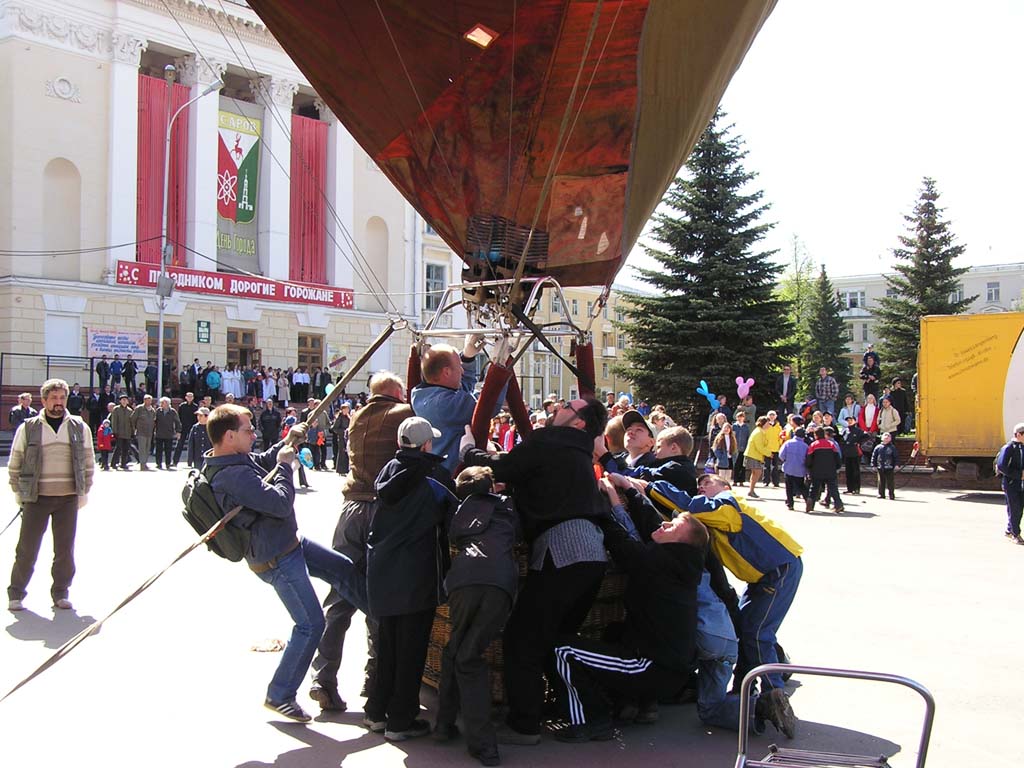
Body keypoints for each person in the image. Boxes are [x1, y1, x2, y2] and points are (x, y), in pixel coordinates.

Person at [460, 397, 609, 744]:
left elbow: (501, 467)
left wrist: (468, 450)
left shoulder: (550, 440)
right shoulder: (579, 452)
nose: (558, 408)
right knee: (558, 638)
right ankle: (579, 711)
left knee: (522, 637)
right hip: (592, 551)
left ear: (579, 422)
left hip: (563, 549)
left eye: (567, 406)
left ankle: (524, 725)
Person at [205, 404, 365, 723]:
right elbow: (279, 502)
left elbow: (263, 461)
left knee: (343, 569)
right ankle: (280, 694)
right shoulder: (232, 476)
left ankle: (384, 619)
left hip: (288, 544)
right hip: (276, 558)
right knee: (310, 624)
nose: (254, 434)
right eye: (248, 430)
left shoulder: (234, 459)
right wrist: (285, 466)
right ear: (229, 436)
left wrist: (288, 441)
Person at [549, 476, 712, 743]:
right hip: (668, 666)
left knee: (562, 650)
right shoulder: (679, 561)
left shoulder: (659, 563)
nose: (664, 524)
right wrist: (629, 490)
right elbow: (652, 523)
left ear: (679, 543)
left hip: (653, 667)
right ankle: (632, 703)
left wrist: (599, 505)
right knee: (614, 631)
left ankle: (590, 720)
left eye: (672, 526)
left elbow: (620, 543)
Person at [649, 473, 802, 716]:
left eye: (707, 483)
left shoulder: (727, 503)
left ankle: (774, 694)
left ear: (725, 486)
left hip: (778, 569)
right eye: (699, 485)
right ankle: (747, 686)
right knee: (746, 626)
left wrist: (648, 485)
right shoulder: (716, 515)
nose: (701, 487)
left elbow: (690, 506)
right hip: (764, 575)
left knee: (757, 632)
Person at [310, 372, 412, 712]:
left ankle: (323, 678)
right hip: (382, 510)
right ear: (396, 392)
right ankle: (375, 679)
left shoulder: (356, 416)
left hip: (351, 509)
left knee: (339, 598)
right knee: (381, 598)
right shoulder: (402, 413)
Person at [364, 416, 457, 741]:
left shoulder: (386, 471)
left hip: (382, 570)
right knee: (412, 650)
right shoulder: (435, 477)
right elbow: (455, 517)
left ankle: (377, 712)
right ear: (426, 444)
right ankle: (401, 721)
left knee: (387, 645)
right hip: (418, 572)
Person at [434, 466, 520, 765]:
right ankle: (484, 744)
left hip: (463, 579)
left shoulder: (458, 512)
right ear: (492, 486)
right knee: (468, 657)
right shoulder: (507, 507)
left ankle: (444, 724)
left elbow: (453, 537)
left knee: (456, 649)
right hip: (499, 584)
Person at [7, 379, 94, 612]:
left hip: (68, 498)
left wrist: (84, 491)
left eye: (62, 398)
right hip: (37, 497)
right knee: (27, 549)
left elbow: (88, 461)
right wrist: (18, 492)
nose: (58, 402)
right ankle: (16, 594)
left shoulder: (79, 427)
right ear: (44, 400)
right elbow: (16, 461)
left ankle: (61, 593)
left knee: (64, 551)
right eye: (54, 398)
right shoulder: (29, 427)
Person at [411, 335, 498, 475]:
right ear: (446, 372)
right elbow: (488, 405)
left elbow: (462, 388)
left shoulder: (421, 395)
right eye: (459, 367)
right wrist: (500, 365)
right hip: (452, 476)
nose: (462, 371)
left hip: (439, 472)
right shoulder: (444, 404)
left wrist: (467, 358)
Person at [805, 427, 844, 513]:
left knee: (814, 488)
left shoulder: (813, 445)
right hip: (830, 471)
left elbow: (809, 460)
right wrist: (836, 467)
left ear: (816, 435)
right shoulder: (831, 444)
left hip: (816, 471)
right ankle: (838, 505)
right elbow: (837, 458)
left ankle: (810, 505)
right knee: (833, 488)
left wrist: (809, 469)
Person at [996, 423, 1024, 544]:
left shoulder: (1022, 447)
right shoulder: (1009, 448)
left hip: (1020, 484)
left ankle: (1009, 530)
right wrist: (1019, 475)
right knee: (1014, 509)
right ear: (1018, 435)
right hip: (1011, 484)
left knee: (1019, 509)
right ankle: (1015, 534)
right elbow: (1001, 466)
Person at [778, 419, 809, 511]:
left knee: (789, 487)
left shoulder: (788, 443)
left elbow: (781, 455)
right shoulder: (805, 446)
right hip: (800, 470)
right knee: (801, 486)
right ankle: (807, 499)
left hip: (789, 468)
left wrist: (786, 460)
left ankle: (790, 503)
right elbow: (808, 458)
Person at [742, 416, 772, 499]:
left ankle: (751, 490)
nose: (769, 425)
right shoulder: (758, 432)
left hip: (755, 455)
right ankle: (751, 490)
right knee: (757, 472)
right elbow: (759, 447)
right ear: (763, 423)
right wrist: (768, 453)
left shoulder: (761, 431)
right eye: (767, 423)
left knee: (756, 473)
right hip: (753, 455)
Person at [154, 396, 181, 470]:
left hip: (169, 434)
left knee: (168, 450)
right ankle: (158, 463)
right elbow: (154, 421)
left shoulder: (172, 411)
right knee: (158, 450)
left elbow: (177, 422)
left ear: (168, 403)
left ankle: (168, 463)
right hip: (159, 433)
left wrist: (178, 431)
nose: (162, 404)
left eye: (164, 403)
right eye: (162, 403)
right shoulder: (158, 411)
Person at [131, 394, 157, 470]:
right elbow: (132, 419)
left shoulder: (152, 410)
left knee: (147, 449)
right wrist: (134, 429)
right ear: (144, 400)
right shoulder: (139, 408)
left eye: (150, 400)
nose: (148, 402)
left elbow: (154, 421)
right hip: (141, 432)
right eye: (147, 400)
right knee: (142, 449)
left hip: (149, 432)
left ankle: (145, 463)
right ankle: (142, 464)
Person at [109, 394, 134, 470]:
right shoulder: (116, 409)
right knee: (118, 448)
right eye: (123, 400)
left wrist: (132, 432)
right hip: (119, 433)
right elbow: (114, 421)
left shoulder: (130, 410)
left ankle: (123, 463)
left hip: (127, 433)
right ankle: (113, 463)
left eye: (125, 400)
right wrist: (115, 431)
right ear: (120, 401)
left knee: (126, 449)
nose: (124, 401)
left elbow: (132, 423)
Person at [871, 432, 899, 501]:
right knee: (881, 481)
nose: (886, 438)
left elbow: (896, 457)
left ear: (890, 439)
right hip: (880, 467)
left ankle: (891, 495)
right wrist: (873, 465)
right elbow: (874, 457)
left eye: (888, 436)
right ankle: (881, 494)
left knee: (890, 482)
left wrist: (896, 465)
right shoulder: (878, 447)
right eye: (885, 436)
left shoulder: (892, 447)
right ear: (882, 438)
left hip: (889, 467)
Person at [842, 416, 866, 494]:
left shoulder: (858, 430)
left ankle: (856, 488)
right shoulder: (845, 430)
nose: (849, 421)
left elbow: (866, 436)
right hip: (847, 453)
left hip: (855, 453)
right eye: (848, 420)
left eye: (851, 420)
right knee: (848, 472)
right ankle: (849, 488)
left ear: (855, 421)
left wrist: (858, 443)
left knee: (855, 471)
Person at [174, 392, 198, 466]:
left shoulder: (195, 406)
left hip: (192, 427)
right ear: (186, 397)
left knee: (193, 445)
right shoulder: (182, 406)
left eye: (191, 396)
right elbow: (179, 417)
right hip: (183, 427)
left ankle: (191, 462)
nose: (190, 398)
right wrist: (178, 429)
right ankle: (175, 462)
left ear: (193, 398)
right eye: (188, 396)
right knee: (179, 445)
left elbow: (196, 418)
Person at [330, 402, 351, 474]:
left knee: (347, 453)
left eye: (347, 409)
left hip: (347, 437)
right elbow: (334, 428)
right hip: (341, 437)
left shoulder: (348, 417)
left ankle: (346, 469)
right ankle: (340, 470)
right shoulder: (339, 417)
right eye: (345, 409)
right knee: (342, 453)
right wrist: (343, 431)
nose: (346, 410)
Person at [732, 410, 751, 484]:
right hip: (735, 449)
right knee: (736, 465)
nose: (740, 418)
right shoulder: (734, 426)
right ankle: (735, 480)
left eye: (742, 417)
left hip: (744, 448)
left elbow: (748, 437)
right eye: (739, 417)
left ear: (744, 418)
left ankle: (741, 481)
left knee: (743, 465)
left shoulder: (746, 427)